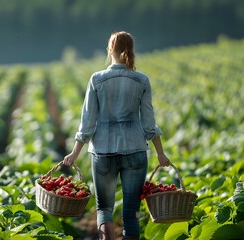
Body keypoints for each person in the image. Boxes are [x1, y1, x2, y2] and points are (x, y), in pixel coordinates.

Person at [62, 31, 170, 240]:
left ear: (110, 49)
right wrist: (160, 154)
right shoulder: (141, 80)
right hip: (135, 150)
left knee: (104, 209)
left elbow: (87, 122)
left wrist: (75, 153)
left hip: (103, 151)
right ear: (131, 50)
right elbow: (149, 123)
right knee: (132, 213)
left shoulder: (97, 79)